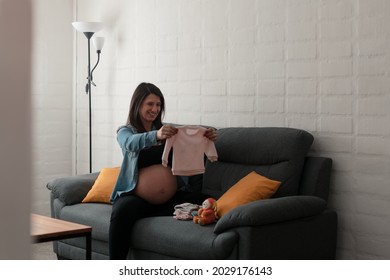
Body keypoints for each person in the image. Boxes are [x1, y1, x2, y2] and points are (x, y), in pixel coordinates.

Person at [109, 82, 217, 259]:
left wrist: (208, 135)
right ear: (137, 104)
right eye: (150, 104)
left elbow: (190, 141)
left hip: (169, 200)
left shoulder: (168, 131)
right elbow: (129, 143)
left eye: (158, 105)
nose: (155, 109)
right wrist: (156, 136)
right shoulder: (126, 131)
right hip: (138, 200)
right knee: (121, 212)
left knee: (210, 201)